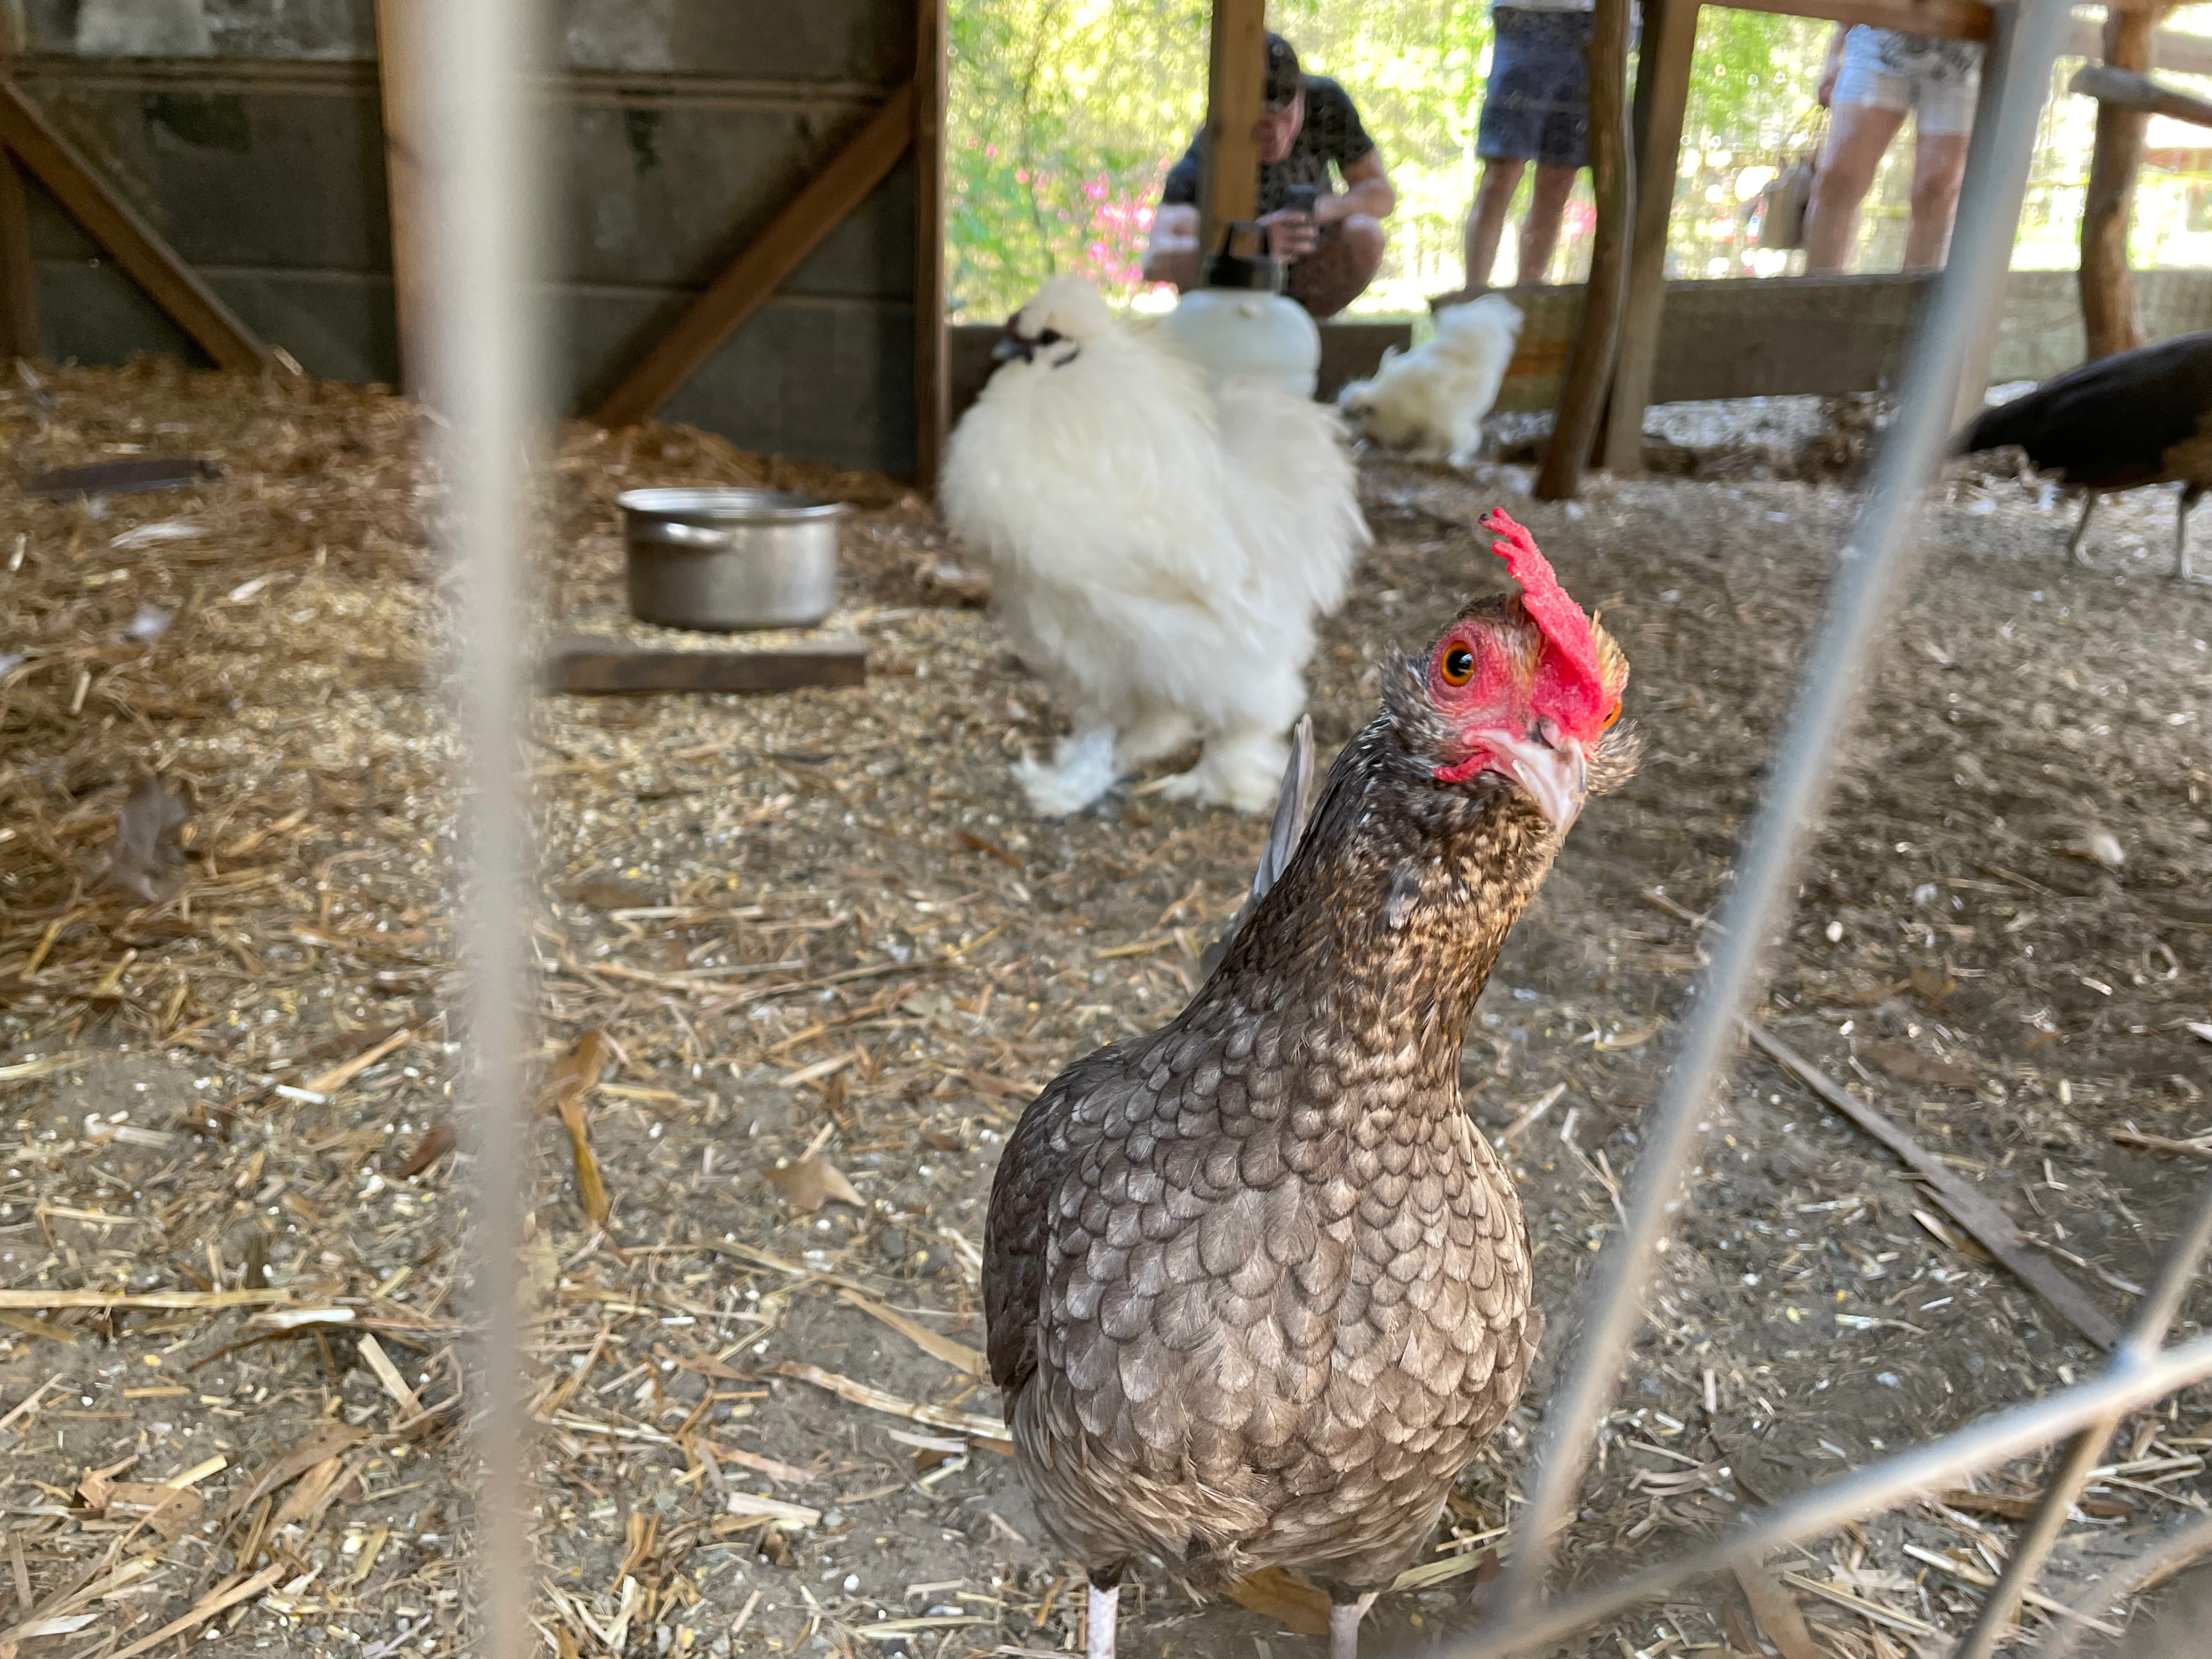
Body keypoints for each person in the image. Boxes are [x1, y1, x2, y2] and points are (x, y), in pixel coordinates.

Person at [1142, 33, 1396, 320]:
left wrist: (1323, 209)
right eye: (1262, 124)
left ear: (1302, 96)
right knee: (1199, 249)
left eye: (1286, 117)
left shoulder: (1325, 104)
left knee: (1366, 234)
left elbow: (1381, 196)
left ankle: (1311, 326)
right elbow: (1155, 261)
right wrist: (1255, 243)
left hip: (1306, 272)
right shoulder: (1210, 151)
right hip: (1233, 291)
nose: (1276, 136)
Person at [1803, 25, 1982, 272]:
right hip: (1879, 38)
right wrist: (1835, 55)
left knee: (1936, 191)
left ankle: (1917, 293)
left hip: (1963, 57)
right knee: (1838, 180)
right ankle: (1819, 290)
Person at [1453, 0, 1598, 297]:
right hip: (1526, 14)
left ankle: (1529, 300)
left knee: (1559, 178)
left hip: (1600, 23)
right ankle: (1474, 299)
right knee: (1504, 170)